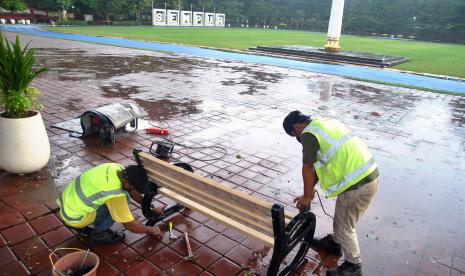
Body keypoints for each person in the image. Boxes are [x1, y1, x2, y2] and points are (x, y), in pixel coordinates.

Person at [282, 111, 379, 276]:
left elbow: (308, 167)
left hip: (357, 185)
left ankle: (353, 266)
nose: (298, 138)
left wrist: (306, 197)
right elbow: (320, 164)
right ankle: (334, 243)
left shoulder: (309, 134)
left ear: (296, 127)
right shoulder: (323, 123)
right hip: (366, 176)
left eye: (295, 135)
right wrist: (310, 190)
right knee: (345, 220)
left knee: (344, 226)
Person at [57, 163, 163, 244]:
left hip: (66, 205)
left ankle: (80, 225)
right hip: (74, 217)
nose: (135, 190)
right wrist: (152, 230)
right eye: (134, 187)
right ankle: (99, 234)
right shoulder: (114, 194)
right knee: (120, 203)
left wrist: (150, 207)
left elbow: (132, 191)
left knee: (118, 196)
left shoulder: (116, 168)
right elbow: (130, 226)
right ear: (127, 183)